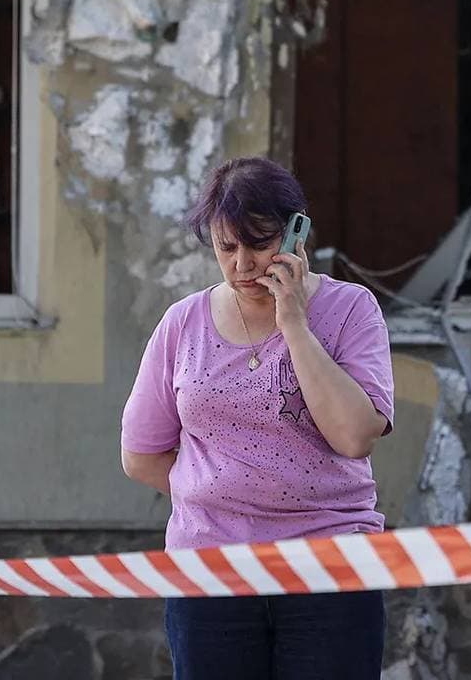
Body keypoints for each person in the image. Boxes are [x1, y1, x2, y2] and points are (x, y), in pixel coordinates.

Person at [121, 156, 396, 679]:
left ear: (297, 233)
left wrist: (293, 321)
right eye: (227, 248)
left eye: (261, 243)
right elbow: (140, 454)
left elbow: (356, 436)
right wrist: (225, 493)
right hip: (210, 570)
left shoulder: (351, 309)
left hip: (329, 567)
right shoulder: (183, 324)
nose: (243, 264)